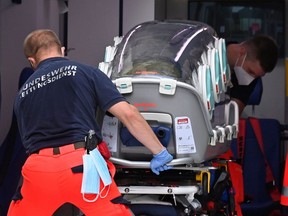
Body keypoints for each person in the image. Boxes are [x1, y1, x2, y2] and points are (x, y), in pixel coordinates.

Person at [8, 29, 173, 216]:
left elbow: (28, 143)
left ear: (32, 61)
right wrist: (159, 151)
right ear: (62, 50)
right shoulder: (85, 72)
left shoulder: (22, 95)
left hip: (39, 170)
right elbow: (129, 114)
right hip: (81, 167)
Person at [226, 35, 278, 114]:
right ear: (242, 52)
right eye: (250, 71)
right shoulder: (208, 51)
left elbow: (232, 114)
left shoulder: (250, 78)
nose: (251, 78)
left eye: (257, 76)